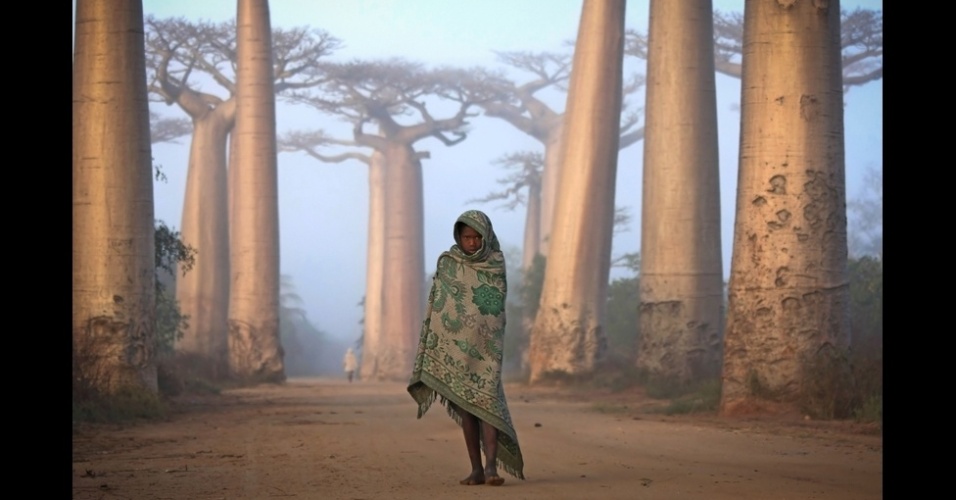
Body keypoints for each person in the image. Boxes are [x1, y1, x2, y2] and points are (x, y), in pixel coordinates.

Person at [408, 209, 525, 486]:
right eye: (466, 237)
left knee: (488, 405)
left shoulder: (494, 262)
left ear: (486, 237)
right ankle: (476, 469)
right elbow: (438, 307)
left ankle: (492, 468)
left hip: (487, 350)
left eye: (476, 237)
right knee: (467, 411)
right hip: (457, 351)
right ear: (458, 237)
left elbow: (494, 306)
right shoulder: (448, 263)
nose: (472, 242)